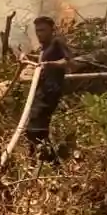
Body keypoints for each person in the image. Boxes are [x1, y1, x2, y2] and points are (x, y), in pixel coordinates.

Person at [22, 16, 72, 164]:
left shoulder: (57, 42)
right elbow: (42, 62)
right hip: (42, 90)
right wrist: (26, 57)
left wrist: (51, 65)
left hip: (51, 91)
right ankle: (43, 161)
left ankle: (48, 161)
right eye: (37, 31)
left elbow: (68, 61)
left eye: (42, 30)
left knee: (34, 129)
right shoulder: (44, 47)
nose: (39, 34)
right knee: (38, 128)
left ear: (52, 29)